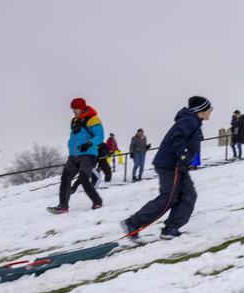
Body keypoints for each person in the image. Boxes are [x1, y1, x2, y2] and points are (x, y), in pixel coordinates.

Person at [121, 96, 212, 239]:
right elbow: (178, 137)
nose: (211, 111)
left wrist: (192, 162)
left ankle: (170, 228)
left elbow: (192, 144)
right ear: (201, 110)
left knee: (188, 195)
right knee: (169, 198)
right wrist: (182, 156)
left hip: (178, 166)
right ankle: (132, 223)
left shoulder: (194, 122)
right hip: (170, 165)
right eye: (209, 109)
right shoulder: (189, 121)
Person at [49, 97, 105, 213]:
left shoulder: (93, 119)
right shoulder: (74, 120)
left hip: (88, 154)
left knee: (84, 179)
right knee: (65, 178)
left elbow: (100, 137)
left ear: (82, 108)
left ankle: (97, 201)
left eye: (76, 108)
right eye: (73, 109)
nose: (73, 111)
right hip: (74, 155)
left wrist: (89, 144)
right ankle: (63, 206)